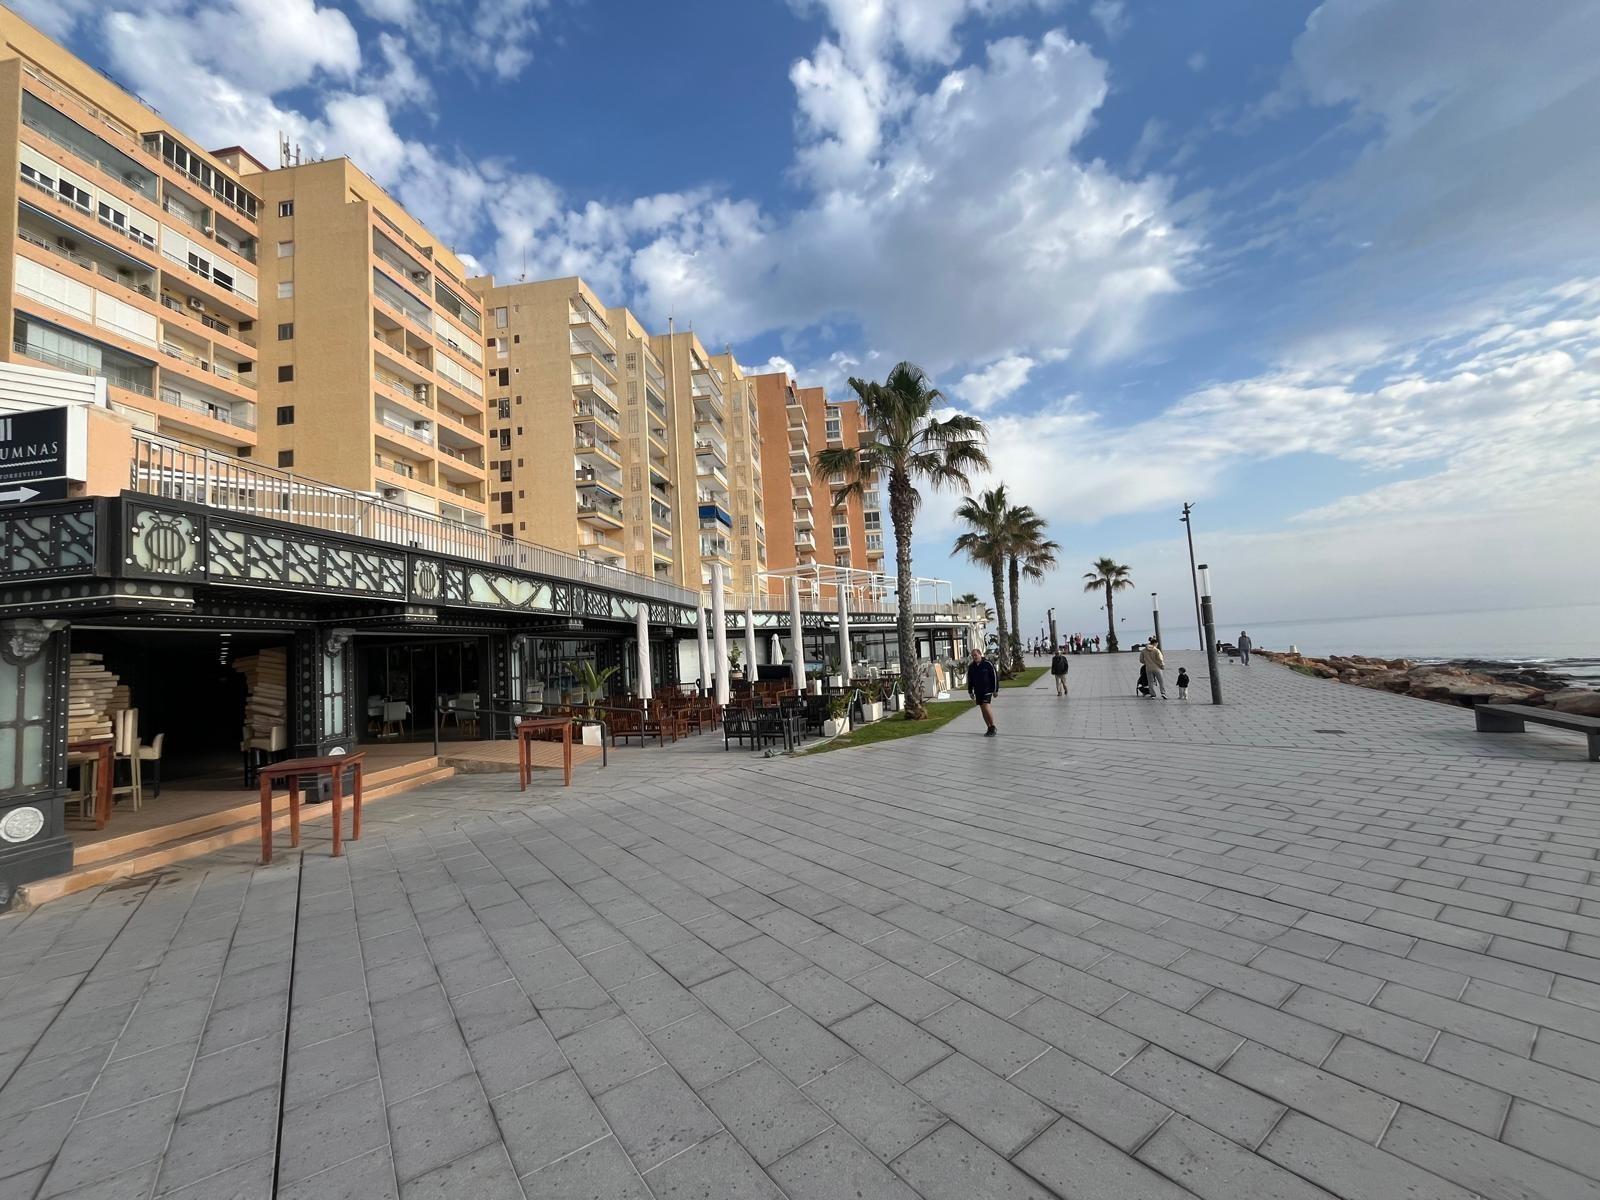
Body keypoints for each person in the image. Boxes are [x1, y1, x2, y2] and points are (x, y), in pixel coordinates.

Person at [966, 646, 999, 736]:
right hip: (978, 690)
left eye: (975, 655)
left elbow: (994, 677)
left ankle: (993, 726)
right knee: (982, 709)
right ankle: (989, 727)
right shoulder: (971, 667)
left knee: (986, 706)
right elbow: (970, 680)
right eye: (973, 656)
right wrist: (970, 691)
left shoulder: (988, 664)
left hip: (987, 689)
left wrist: (995, 690)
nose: (974, 657)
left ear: (980, 654)